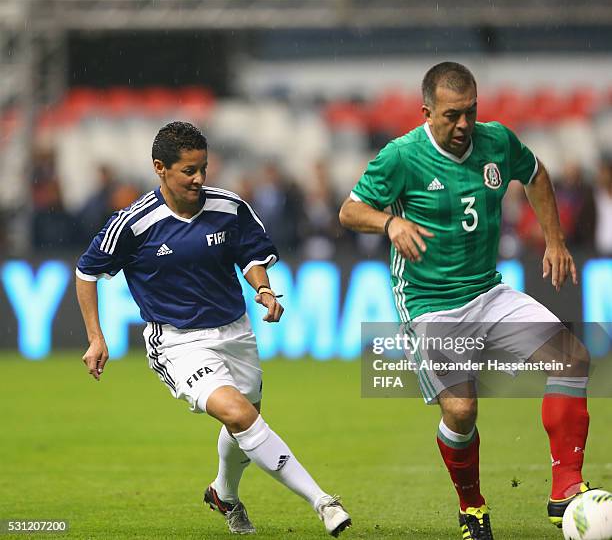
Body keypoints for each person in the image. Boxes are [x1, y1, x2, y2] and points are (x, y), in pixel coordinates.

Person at [339, 62, 593, 540]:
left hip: (488, 290)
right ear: (427, 113)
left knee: (572, 359)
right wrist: (390, 223)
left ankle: (566, 490)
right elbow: (350, 210)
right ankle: (471, 505)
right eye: (452, 115)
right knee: (460, 411)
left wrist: (554, 240)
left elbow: (535, 173)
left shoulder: (497, 141)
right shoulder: (401, 156)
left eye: (470, 113)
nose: (463, 126)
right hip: (428, 301)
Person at [75, 121, 351, 537]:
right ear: (160, 168)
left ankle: (224, 493)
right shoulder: (133, 223)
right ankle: (323, 501)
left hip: (236, 331)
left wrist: (263, 289)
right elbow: (86, 271)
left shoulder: (229, 206)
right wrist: (96, 336)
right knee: (238, 413)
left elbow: (252, 254)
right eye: (189, 170)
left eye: (203, 168)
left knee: (246, 421)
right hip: (177, 341)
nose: (199, 179)